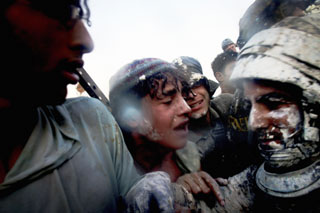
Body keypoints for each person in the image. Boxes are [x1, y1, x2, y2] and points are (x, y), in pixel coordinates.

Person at [0, 0, 174, 212]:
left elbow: (134, 193)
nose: (87, 41)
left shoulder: (93, 121)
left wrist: (161, 192)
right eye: (60, 10)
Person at [176, 12, 320, 212]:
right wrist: (174, 192)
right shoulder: (256, 177)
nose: (254, 121)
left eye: (273, 104)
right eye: (251, 105)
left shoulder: (224, 105)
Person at [108, 58, 226, 208]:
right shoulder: (115, 182)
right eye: (168, 101)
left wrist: (189, 190)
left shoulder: (189, 153)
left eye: (182, 97)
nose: (186, 108)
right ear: (132, 117)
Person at [172, 56, 255, 179]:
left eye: (196, 84)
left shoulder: (228, 105)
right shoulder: (178, 138)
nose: (192, 95)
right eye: (183, 90)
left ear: (206, 85)